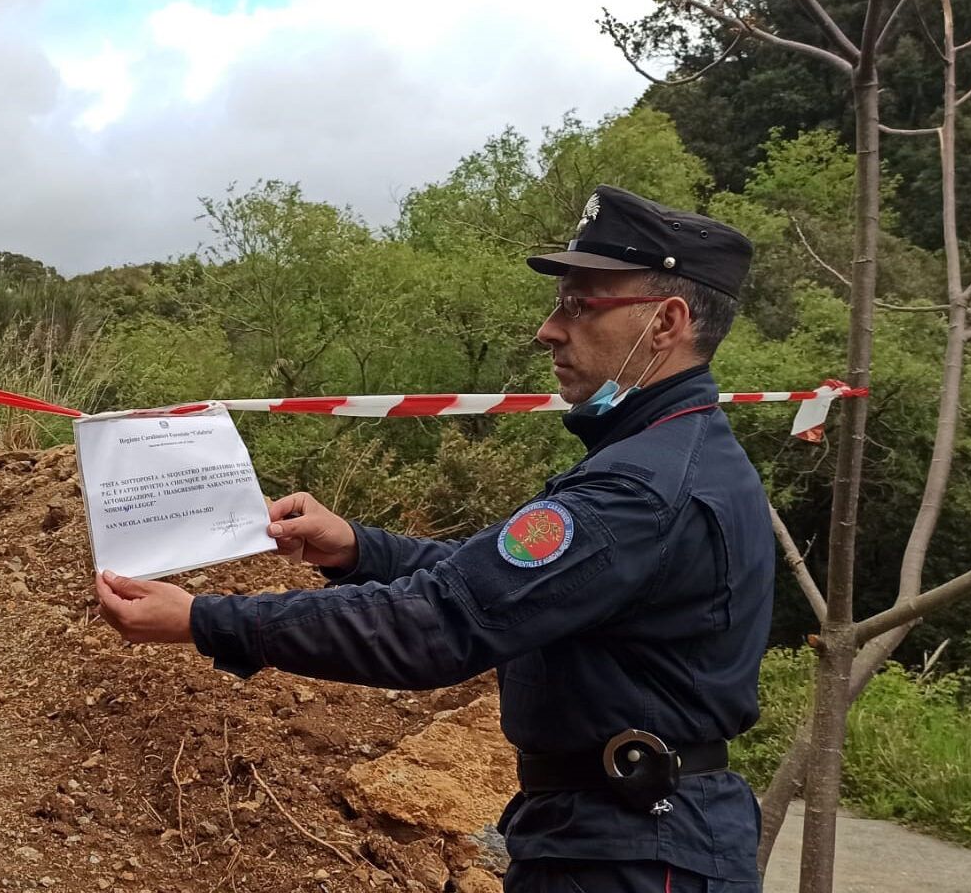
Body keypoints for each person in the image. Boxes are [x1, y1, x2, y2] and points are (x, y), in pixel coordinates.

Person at [94, 184, 772, 893]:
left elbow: (440, 622)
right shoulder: (664, 456)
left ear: (665, 322)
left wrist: (201, 620)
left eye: (579, 304)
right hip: (619, 837)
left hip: (632, 855)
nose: (548, 329)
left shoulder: (638, 489)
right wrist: (358, 548)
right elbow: (508, 586)